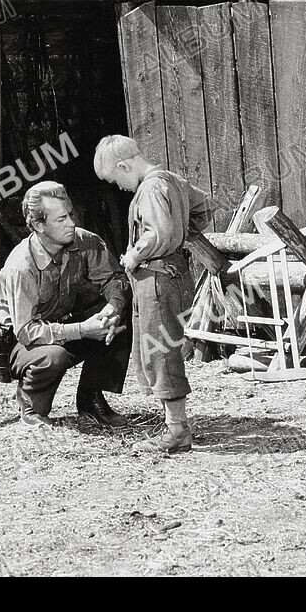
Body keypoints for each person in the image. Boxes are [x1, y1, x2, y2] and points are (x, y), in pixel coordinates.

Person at [94, 135, 215, 454]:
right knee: (158, 350)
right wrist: (181, 234)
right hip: (170, 275)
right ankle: (173, 425)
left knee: (160, 353)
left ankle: (177, 432)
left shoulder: (149, 188)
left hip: (157, 280)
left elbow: (157, 233)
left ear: (123, 165)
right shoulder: (173, 179)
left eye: (116, 180)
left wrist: (136, 253)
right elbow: (205, 206)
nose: (119, 187)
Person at [0, 180, 131, 428]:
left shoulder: (85, 241)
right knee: (52, 356)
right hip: (23, 342)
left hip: (64, 321)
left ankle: (90, 397)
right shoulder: (20, 268)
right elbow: (26, 332)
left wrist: (114, 306)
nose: (71, 223)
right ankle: (32, 408)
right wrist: (83, 330)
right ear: (37, 225)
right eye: (60, 220)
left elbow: (114, 278)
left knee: (120, 316)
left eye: (70, 215)